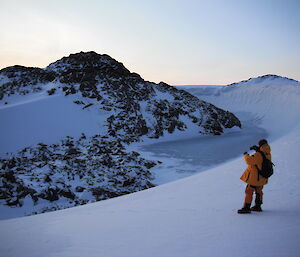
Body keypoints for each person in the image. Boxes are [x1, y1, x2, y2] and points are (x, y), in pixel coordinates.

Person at [238, 139, 272, 214]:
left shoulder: (258, 154)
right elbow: (261, 158)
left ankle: (246, 207)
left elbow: (249, 161)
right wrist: (258, 149)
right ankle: (258, 206)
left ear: (260, 145)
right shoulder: (268, 153)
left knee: (249, 191)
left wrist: (245, 155)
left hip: (255, 178)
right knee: (259, 191)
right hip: (262, 178)